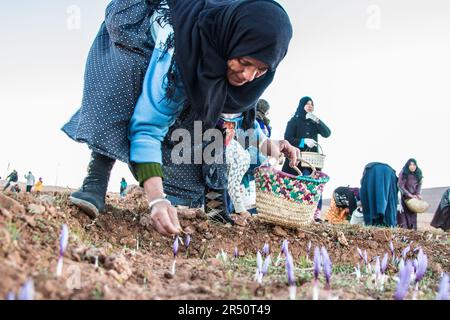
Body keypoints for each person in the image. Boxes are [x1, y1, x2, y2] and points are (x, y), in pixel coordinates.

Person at [62, 0, 298, 237]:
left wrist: (267, 144)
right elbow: (148, 127)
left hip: (200, 59)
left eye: (260, 70)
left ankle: (212, 201)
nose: (248, 75)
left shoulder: (242, 55)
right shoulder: (174, 50)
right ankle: (97, 176)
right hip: (143, 38)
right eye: (244, 62)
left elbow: (232, 116)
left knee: (210, 117)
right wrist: (156, 199)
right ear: (232, 44)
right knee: (130, 76)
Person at [282, 96, 331, 222]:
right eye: (307, 104)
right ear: (301, 105)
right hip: (298, 160)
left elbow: (327, 133)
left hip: (313, 162)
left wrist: (317, 120)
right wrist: (303, 141)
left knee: (315, 185)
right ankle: (296, 213)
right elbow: (287, 138)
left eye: (312, 104)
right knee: (299, 185)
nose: (310, 106)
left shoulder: (314, 123)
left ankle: (315, 214)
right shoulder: (294, 121)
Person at [359, 162, 398, 228]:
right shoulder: (389, 171)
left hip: (374, 217)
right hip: (390, 174)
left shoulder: (369, 172)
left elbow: (364, 193)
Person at [397, 158, 423, 230]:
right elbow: (400, 185)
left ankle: (413, 232)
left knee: (413, 216)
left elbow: (419, 185)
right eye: (410, 165)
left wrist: (418, 194)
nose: (412, 166)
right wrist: (409, 195)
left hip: (414, 199)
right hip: (405, 197)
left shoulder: (418, 172)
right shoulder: (403, 172)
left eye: (414, 165)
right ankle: (405, 232)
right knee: (405, 217)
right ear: (408, 166)